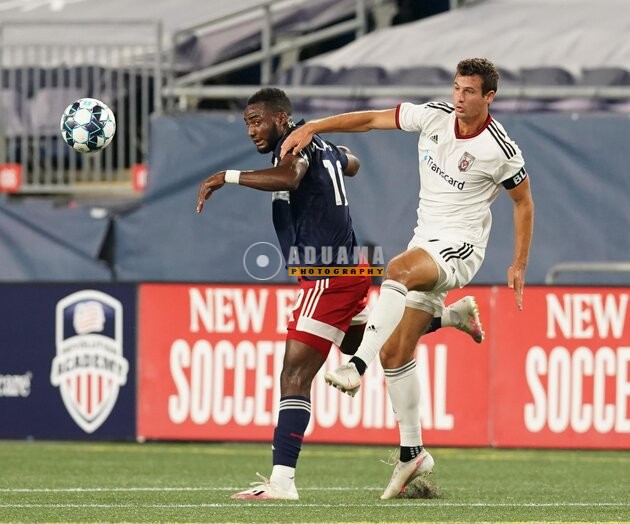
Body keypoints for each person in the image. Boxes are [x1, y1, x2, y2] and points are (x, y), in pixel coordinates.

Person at [196, 87, 485, 501]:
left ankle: (282, 482)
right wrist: (333, 154)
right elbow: (353, 162)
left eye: (257, 121)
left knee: (294, 375)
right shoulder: (319, 145)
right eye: (247, 123)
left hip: (327, 275)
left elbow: (290, 177)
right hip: (348, 269)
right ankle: (450, 317)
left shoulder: (294, 148)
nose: (251, 130)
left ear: (282, 119)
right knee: (361, 341)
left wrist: (226, 176)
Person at [280, 58, 535, 499]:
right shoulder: (434, 116)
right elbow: (371, 120)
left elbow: (524, 202)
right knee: (396, 351)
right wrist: (316, 126)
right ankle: (412, 452)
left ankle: (356, 366)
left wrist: (519, 263)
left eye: (469, 91)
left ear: (489, 97)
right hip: (425, 241)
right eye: (456, 88)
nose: (459, 98)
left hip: (460, 247)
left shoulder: (500, 149)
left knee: (396, 270)